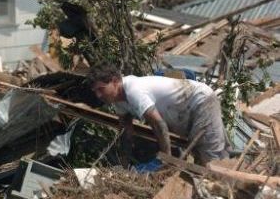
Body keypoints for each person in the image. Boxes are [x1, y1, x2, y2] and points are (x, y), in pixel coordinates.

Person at [87, 64, 229, 165]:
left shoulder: (133, 90)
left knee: (212, 158)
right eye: (95, 91)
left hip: (200, 101)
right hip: (185, 111)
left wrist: (166, 159)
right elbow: (126, 131)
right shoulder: (118, 100)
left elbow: (159, 125)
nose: (98, 95)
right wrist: (125, 159)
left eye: (101, 89)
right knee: (201, 155)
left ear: (115, 81)